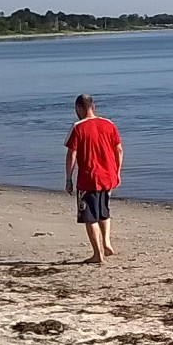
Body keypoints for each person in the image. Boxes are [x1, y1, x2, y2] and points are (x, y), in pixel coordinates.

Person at [64, 93, 122, 265]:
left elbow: (71, 155)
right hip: (108, 176)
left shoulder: (78, 127)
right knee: (104, 211)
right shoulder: (109, 124)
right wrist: (117, 172)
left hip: (89, 178)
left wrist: (68, 178)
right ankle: (107, 244)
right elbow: (119, 150)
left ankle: (98, 254)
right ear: (93, 107)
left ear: (79, 108)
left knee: (90, 217)